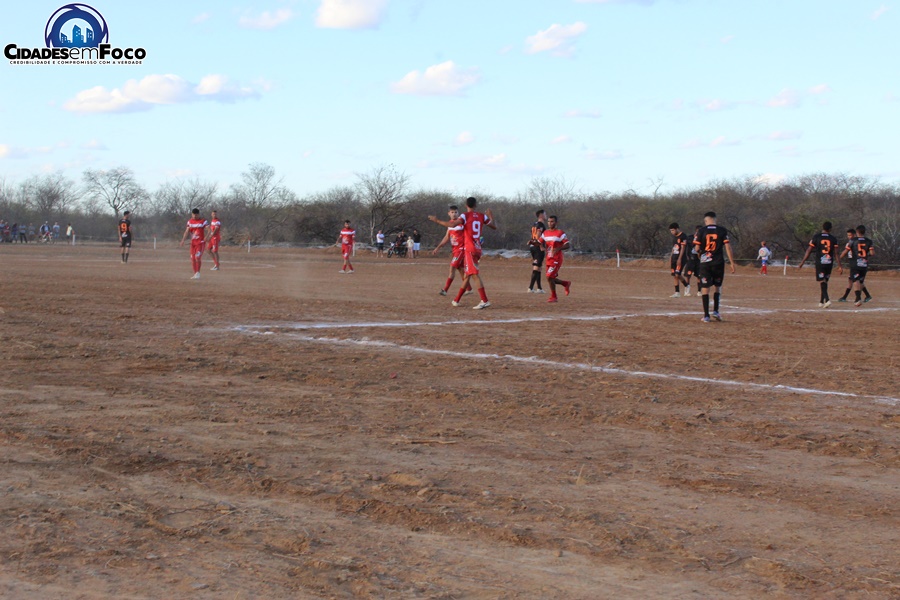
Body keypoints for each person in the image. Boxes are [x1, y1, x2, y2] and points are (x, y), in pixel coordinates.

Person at [428, 196, 497, 309]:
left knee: (474, 275)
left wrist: (437, 220)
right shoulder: (481, 216)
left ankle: (484, 300)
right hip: (477, 248)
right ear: (475, 205)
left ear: (466, 205)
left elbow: (452, 224)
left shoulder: (465, 216)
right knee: (468, 274)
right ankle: (457, 299)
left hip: (469, 249)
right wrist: (490, 216)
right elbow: (494, 227)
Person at [694, 211, 735, 322]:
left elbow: (697, 249)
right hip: (718, 262)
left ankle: (706, 316)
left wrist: (700, 253)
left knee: (705, 288)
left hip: (705, 263)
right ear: (715, 219)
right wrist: (732, 262)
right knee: (717, 286)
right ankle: (716, 311)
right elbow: (728, 247)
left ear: (705, 220)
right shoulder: (722, 230)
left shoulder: (701, 231)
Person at [797, 221, 841, 308]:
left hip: (820, 262)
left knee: (822, 280)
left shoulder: (816, 237)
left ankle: (827, 300)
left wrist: (802, 262)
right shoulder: (833, 239)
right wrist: (840, 266)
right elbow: (836, 253)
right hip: (829, 262)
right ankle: (821, 301)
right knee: (825, 281)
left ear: (822, 227)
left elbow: (809, 250)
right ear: (830, 229)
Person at [432, 205, 472, 296]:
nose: (454, 214)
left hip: (461, 249)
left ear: (458, 213)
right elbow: (447, 237)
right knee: (460, 268)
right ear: (449, 213)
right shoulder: (449, 224)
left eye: (456, 212)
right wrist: (438, 247)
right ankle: (469, 288)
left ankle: (445, 290)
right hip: (455, 250)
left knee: (452, 267)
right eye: (452, 212)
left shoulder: (461, 223)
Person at [839, 225, 875, 307]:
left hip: (855, 264)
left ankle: (858, 298)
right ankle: (864, 296)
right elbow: (872, 253)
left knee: (855, 281)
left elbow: (845, 252)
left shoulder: (853, 241)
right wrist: (865, 256)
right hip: (864, 264)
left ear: (857, 232)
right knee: (859, 281)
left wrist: (838, 259)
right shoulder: (869, 241)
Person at [540, 215, 572, 303]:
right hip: (549, 258)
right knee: (550, 278)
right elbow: (539, 242)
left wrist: (558, 248)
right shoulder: (545, 233)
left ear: (556, 223)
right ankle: (565, 283)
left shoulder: (560, 233)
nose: (550, 223)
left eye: (552, 221)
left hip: (557, 258)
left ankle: (554, 297)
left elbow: (567, 245)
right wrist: (537, 244)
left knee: (549, 277)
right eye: (549, 221)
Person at [180, 208, 208, 279]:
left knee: (197, 257)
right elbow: (187, 231)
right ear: (192, 214)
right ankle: (195, 274)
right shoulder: (190, 222)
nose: (195, 216)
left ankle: (198, 273)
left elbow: (209, 230)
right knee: (192, 258)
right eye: (193, 215)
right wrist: (183, 240)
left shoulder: (203, 221)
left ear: (198, 214)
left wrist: (207, 237)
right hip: (193, 243)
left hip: (200, 243)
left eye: (196, 215)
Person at [668, 223, 690, 297]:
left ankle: (686, 286)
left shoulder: (683, 236)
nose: (672, 232)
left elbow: (683, 248)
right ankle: (677, 292)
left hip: (681, 258)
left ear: (677, 229)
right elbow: (674, 247)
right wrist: (671, 256)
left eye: (673, 230)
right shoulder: (674, 237)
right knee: (675, 275)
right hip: (674, 257)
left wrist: (680, 259)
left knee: (677, 274)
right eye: (671, 231)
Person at [527, 209, 547, 293]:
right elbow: (538, 235)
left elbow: (533, 235)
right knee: (536, 267)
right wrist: (541, 246)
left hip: (532, 246)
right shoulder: (540, 224)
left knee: (539, 267)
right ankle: (530, 288)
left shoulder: (534, 224)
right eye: (545, 214)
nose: (546, 216)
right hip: (537, 247)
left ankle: (539, 288)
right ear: (541, 215)